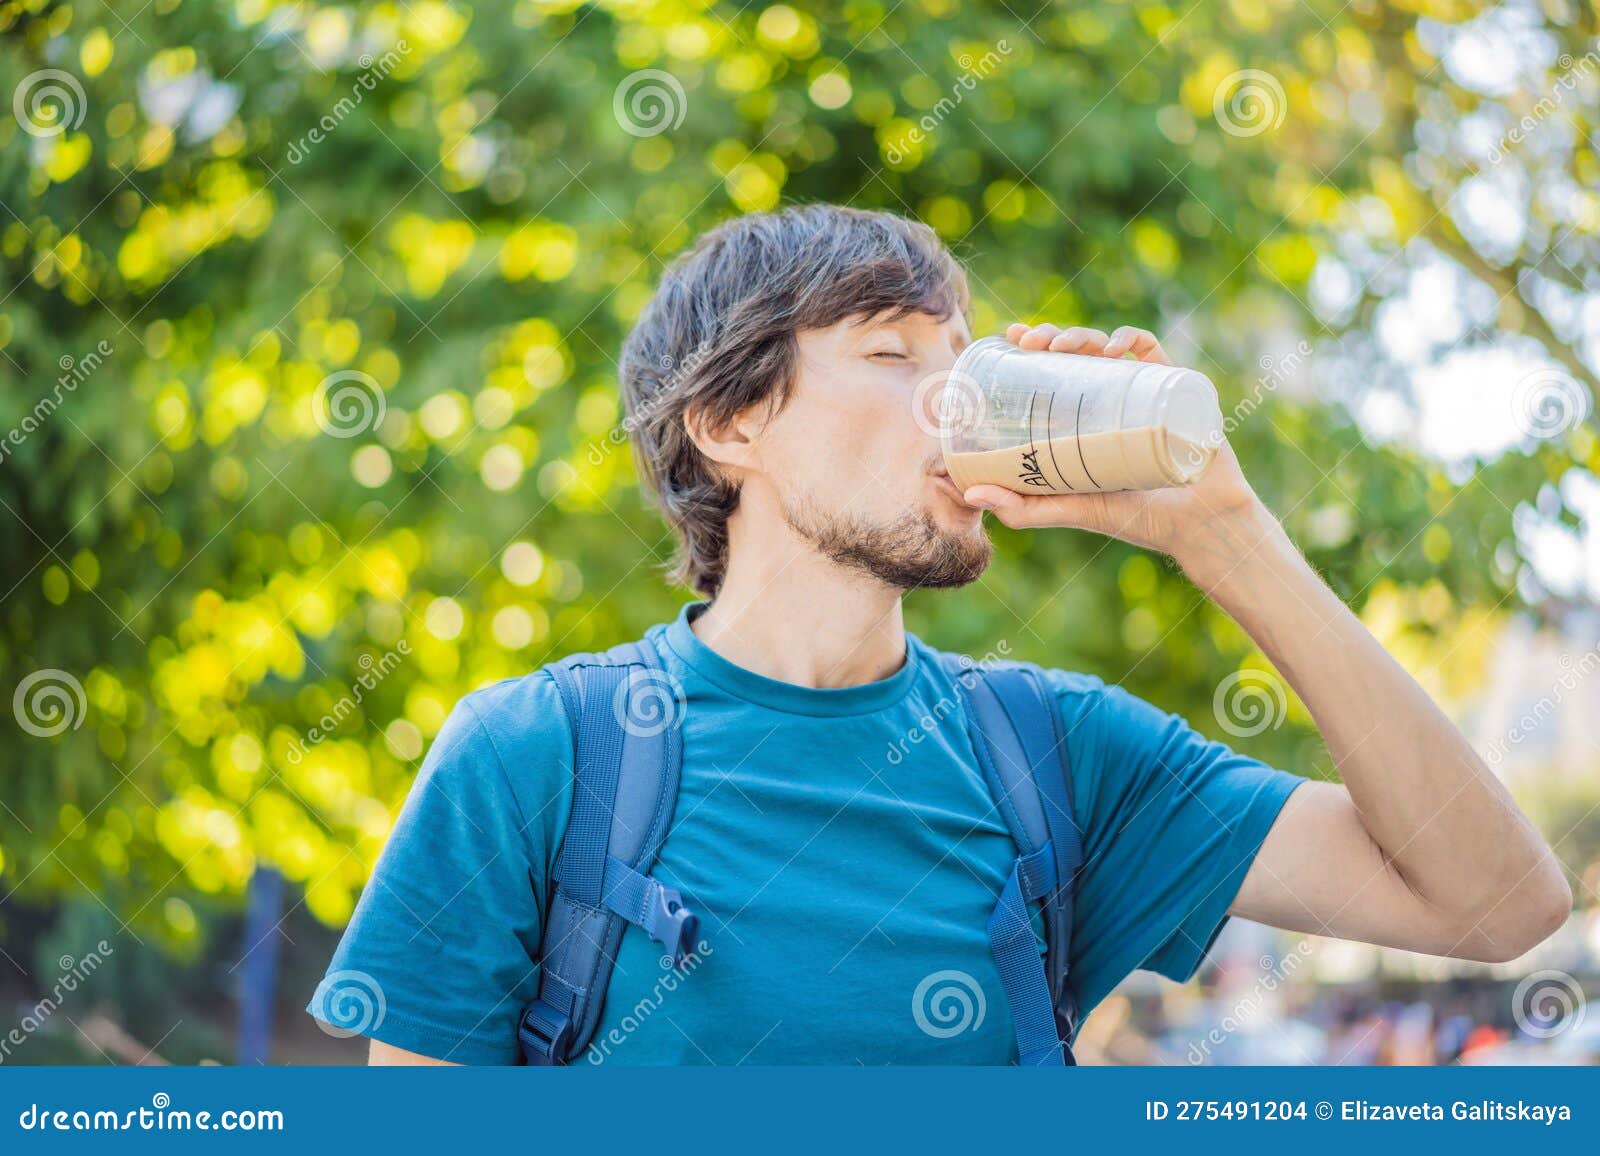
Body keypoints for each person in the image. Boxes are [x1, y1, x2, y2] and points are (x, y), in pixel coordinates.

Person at [308, 203, 1570, 1065]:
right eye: (893, 354)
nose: (954, 403)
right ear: (731, 423)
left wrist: (1223, 534)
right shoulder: (537, 758)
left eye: (960, 358)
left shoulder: (1057, 751)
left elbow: (1500, 904)